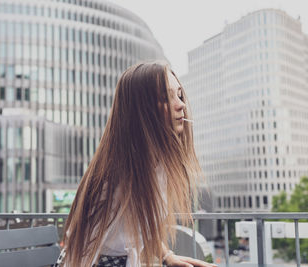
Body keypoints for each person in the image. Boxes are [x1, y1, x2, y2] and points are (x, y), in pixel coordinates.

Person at [56, 61, 217, 267]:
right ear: (141, 110)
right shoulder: (119, 173)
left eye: (179, 94)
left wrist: (169, 257)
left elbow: (141, 227)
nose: (181, 104)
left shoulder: (155, 163)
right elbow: (83, 252)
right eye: (165, 98)